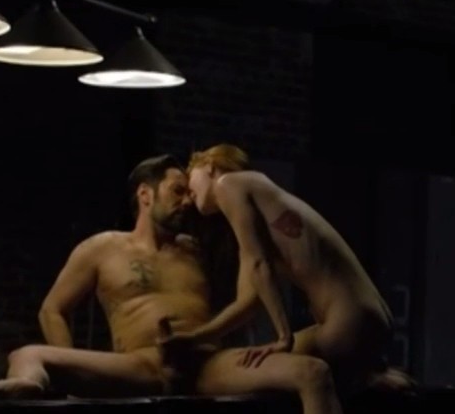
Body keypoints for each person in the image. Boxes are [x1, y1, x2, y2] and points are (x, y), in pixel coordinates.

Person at [0, 155, 398, 414]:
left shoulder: (196, 247)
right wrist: (71, 367)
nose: (187, 200)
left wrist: (230, 338)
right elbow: (52, 308)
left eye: (189, 191)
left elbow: (250, 295)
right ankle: (28, 384)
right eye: (177, 190)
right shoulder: (101, 248)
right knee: (28, 353)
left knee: (310, 368)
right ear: (144, 194)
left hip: (207, 363)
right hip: (141, 364)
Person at [170, 144, 413, 392]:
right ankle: (372, 377)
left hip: (346, 322)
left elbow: (259, 265)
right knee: (263, 365)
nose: (188, 198)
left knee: (249, 367)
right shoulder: (256, 212)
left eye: (189, 178)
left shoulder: (228, 183)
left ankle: (366, 378)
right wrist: (195, 338)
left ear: (209, 166)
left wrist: (283, 337)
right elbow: (248, 303)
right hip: (367, 319)